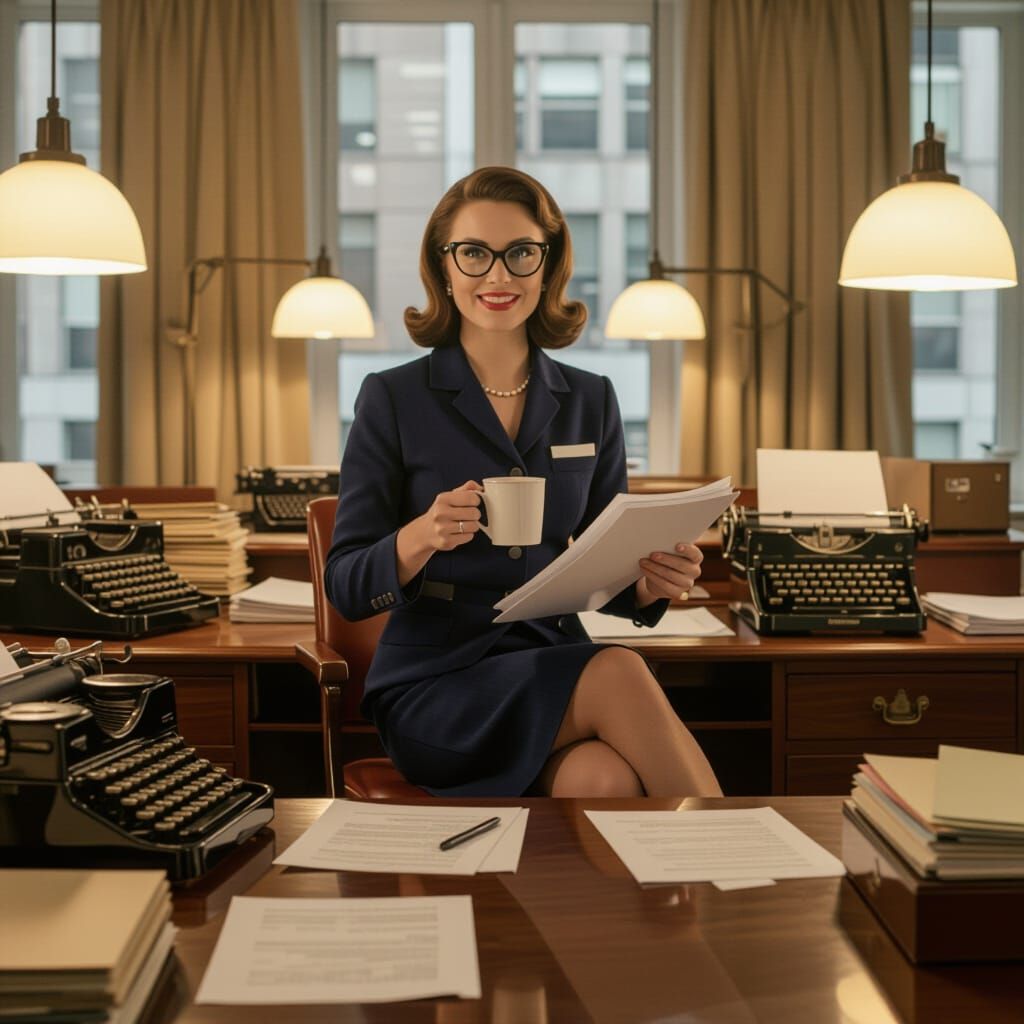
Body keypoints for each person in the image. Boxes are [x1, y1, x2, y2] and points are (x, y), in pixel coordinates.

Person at [325, 165, 722, 799]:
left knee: (604, 778)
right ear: (444, 267)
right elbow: (345, 585)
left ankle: (598, 900)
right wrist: (420, 536)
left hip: (547, 659)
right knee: (619, 670)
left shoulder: (591, 399)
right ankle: (732, 868)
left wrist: (649, 585)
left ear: (548, 265)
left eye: (521, 254)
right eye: (475, 254)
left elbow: (605, 567)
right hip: (434, 684)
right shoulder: (392, 397)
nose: (499, 276)